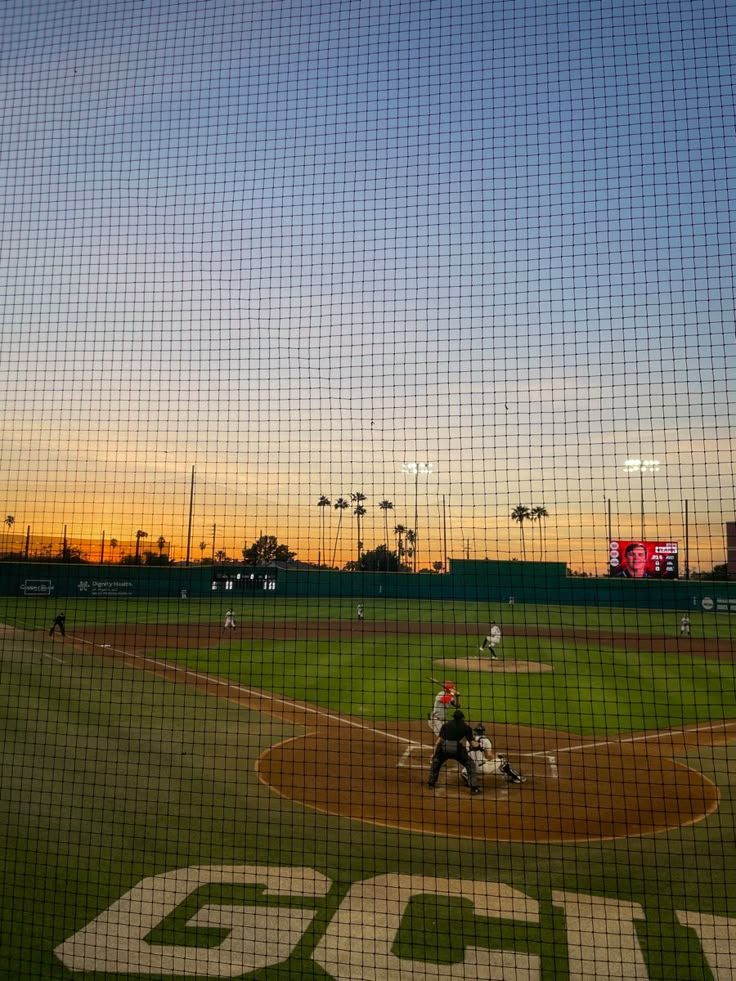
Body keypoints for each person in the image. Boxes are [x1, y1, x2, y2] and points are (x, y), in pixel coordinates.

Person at [428, 710, 481, 795]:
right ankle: (474, 788)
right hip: (457, 750)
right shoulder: (466, 727)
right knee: (470, 765)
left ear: (453, 717)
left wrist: (435, 755)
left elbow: (439, 742)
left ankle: (431, 783)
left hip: (444, 748)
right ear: (462, 718)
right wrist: (479, 746)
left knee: (436, 762)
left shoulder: (446, 725)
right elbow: (472, 744)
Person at [460, 725, 527, 785]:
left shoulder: (468, 741)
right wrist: (496, 756)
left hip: (471, 767)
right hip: (483, 768)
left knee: (465, 770)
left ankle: (468, 776)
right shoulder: (486, 740)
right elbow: (489, 756)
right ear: (483, 732)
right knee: (502, 760)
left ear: (475, 732)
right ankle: (517, 778)